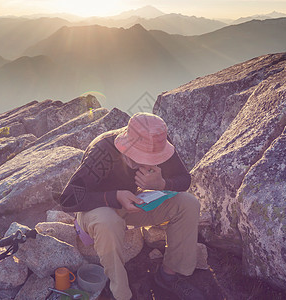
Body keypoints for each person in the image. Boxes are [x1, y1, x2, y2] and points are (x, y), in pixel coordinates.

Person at [59, 112, 204, 300]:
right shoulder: (103, 152)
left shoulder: (158, 142)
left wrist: (161, 184)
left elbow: (184, 179)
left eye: (152, 158)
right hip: (97, 208)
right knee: (108, 222)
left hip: (133, 203)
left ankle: (168, 276)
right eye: (139, 156)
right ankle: (121, 294)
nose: (146, 162)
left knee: (188, 203)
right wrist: (115, 197)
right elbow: (68, 200)